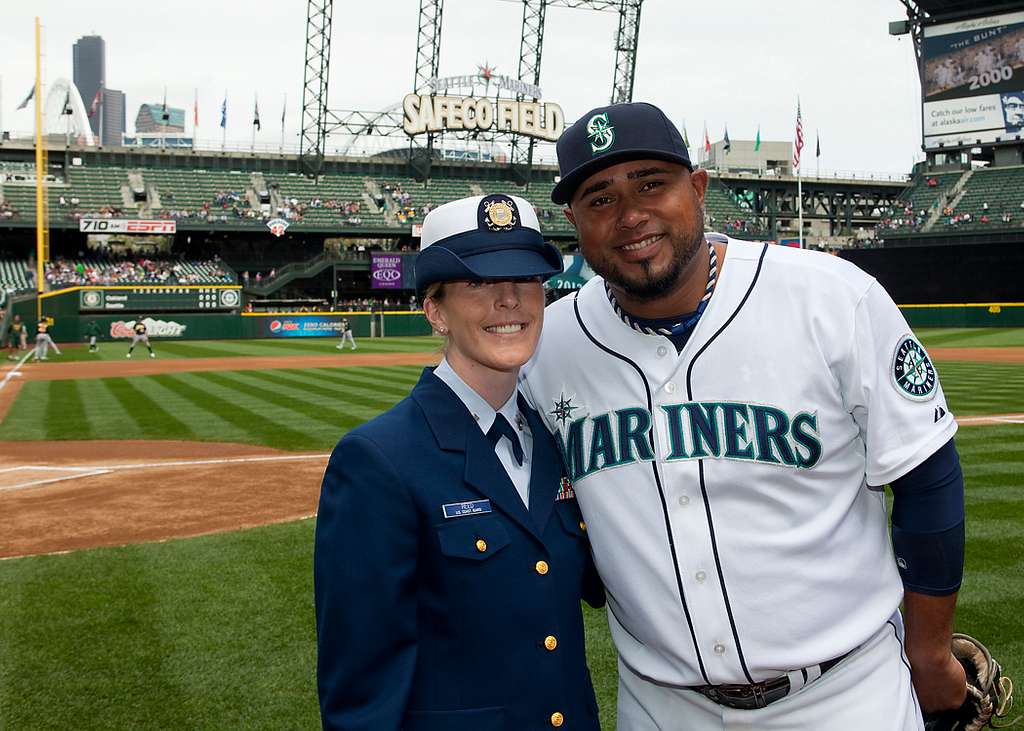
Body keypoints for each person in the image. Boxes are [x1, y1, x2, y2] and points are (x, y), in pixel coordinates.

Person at [520, 102, 967, 729]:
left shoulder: (832, 298)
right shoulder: (549, 344)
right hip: (661, 705)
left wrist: (928, 651)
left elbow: (927, 476)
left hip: (844, 695)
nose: (630, 215)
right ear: (573, 221)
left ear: (697, 188)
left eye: (652, 183)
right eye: (600, 198)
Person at [314, 194, 604, 730]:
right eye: (478, 283)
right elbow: (362, 691)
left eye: (525, 279)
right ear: (435, 311)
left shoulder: (557, 439)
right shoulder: (379, 460)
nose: (509, 300)